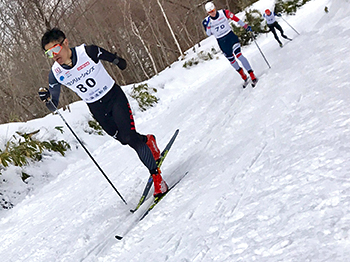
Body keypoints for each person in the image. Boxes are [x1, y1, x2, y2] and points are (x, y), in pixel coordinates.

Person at [39, 28, 168, 198]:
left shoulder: (87, 52)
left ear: (65, 43)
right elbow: (53, 106)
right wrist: (47, 99)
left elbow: (108, 56)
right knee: (123, 139)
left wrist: (118, 61)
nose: (54, 55)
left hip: (114, 98)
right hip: (96, 108)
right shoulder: (55, 74)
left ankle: (157, 178)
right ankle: (148, 140)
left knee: (129, 137)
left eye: (55, 49)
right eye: (49, 53)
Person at [202, 1, 258, 88]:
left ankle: (252, 75)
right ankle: (244, 76)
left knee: (239, 55)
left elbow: (236, 18)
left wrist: (245, 26)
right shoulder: (206, 21)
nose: (212, 13)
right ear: (207, 12)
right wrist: (208, 25)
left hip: (230, 37)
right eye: (210, 12)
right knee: (232, 61)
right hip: (222, 42)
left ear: (215, 8)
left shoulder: (224, 13)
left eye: (213, 10)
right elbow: (209, 34)